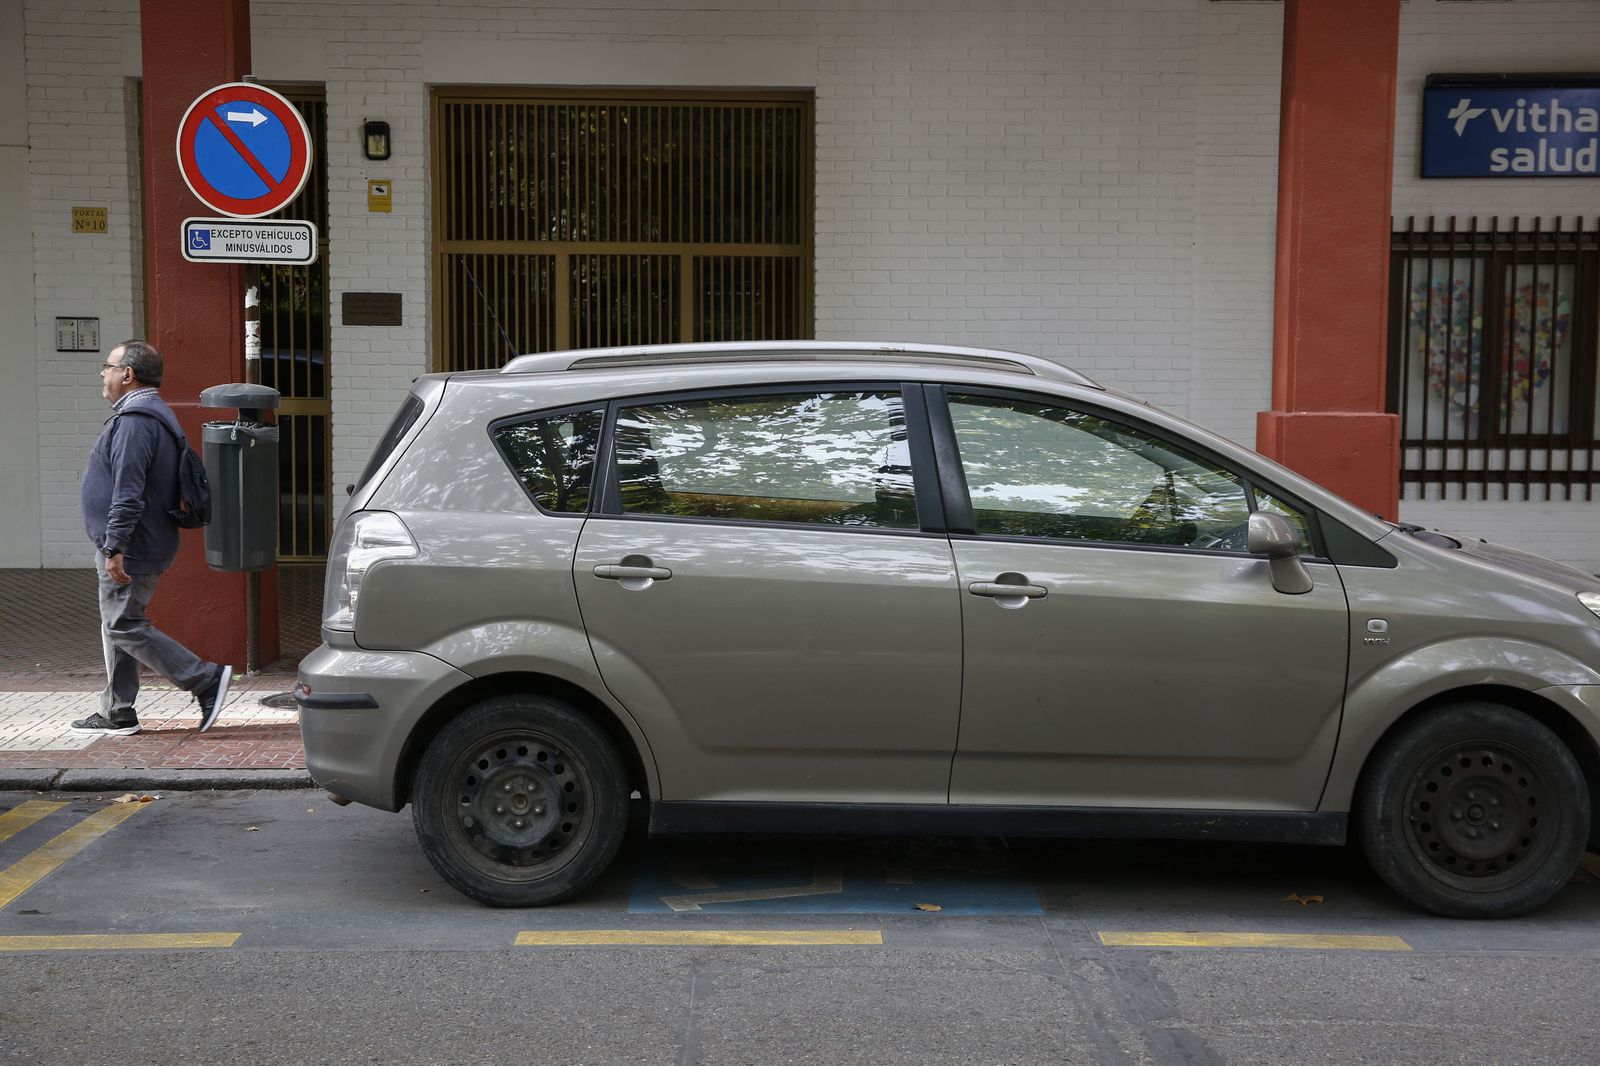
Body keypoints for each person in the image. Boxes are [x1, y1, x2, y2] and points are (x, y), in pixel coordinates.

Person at [71, 340, 232, 736]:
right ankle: (118, 710)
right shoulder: (150, 414)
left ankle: (203, 679)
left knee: (123, 624)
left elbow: (128, 491)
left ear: (128, 374)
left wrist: (116, 546)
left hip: (133, 545)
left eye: (107, 366)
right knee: (119, 621)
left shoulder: (136, 421)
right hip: (138, 541)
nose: (102, 374)